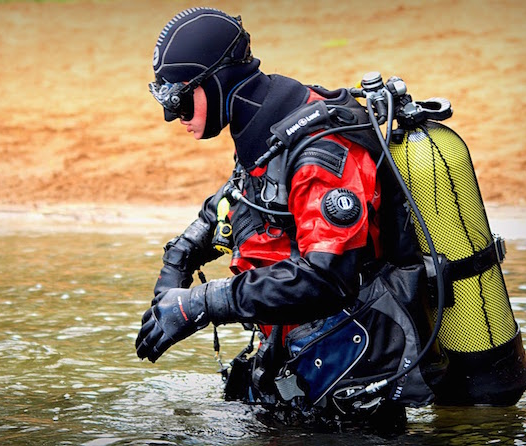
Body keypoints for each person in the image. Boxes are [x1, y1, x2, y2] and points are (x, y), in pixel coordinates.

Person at [135, 7, 440, 429]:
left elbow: (326, 279)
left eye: (179, 99)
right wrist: (179, 260)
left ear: (217, 80)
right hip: (302, 359)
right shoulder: (268, 128)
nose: (173, 115)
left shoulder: (320, 151)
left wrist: (203, 303)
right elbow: (238, 197)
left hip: (353, 389)